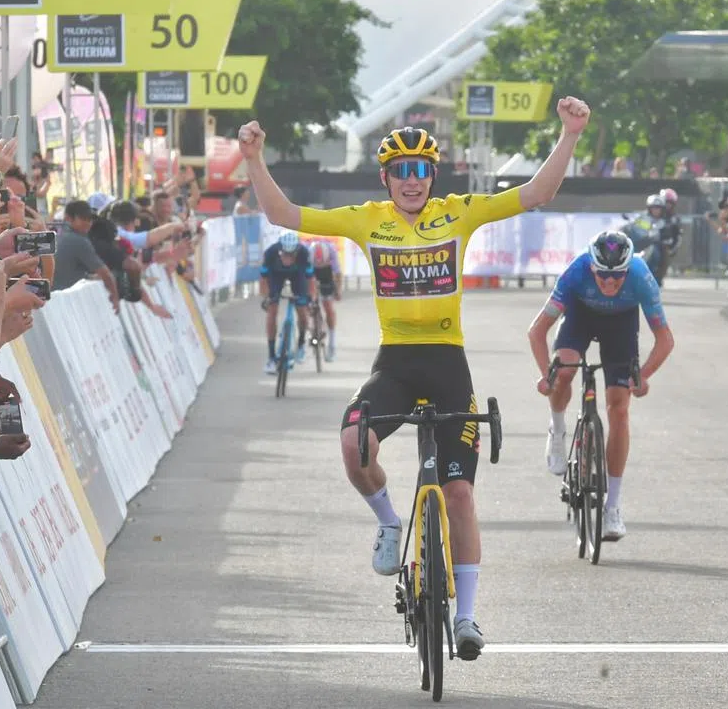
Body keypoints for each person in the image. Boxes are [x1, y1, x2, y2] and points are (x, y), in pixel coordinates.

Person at [237, 95, 592, 661]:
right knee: (354, 444)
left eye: (420, 169)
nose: (411, 180)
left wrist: (570, 134)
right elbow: (285, 215)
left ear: (433, 174)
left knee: (458, 494)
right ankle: (387, 522)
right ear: (385, 178)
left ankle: (469, 616)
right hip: (395, 365)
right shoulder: (365, 221)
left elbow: (537, 194)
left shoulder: (460, 212)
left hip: (449, 363)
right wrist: (254, 159)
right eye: (400, 171)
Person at [527, 230, 674, 541]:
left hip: (621, 324)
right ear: (591, 267)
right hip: (581, 315)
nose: (609, 283)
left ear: (627, 270)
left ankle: (613, 508)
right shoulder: (576, 272)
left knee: (619, 410)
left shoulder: (641, 276)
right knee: (564, 369)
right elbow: (537, 332)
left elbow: (665, 340)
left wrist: (643, 375)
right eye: (603, 276)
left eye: (617, 278)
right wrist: (546, 376)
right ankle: (557, 430)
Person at [259, 232, 315, 373]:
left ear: (296, 252)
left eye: (291, 255)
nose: (288, 258)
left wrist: (310, 298)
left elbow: (310, 279)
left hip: (297, 276)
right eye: (285, 254)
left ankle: (301, 344)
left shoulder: (304, 253)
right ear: (280, 251)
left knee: (302, 311)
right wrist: (266, 297)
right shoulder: (271, 253)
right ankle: (271, 357)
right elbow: (263, 279)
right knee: (272, 311)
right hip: (275, 276)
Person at [309, 240, 342, 361]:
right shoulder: (309, 253)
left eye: (321, 262)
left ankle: (332, 343)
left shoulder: (331, 251)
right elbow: (304, 277)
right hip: (311, 274)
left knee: (328, 307)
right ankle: (314, 326)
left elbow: (338, 274)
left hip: (326, 275)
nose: (319, 263)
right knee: (310, 303)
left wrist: (338, 291)